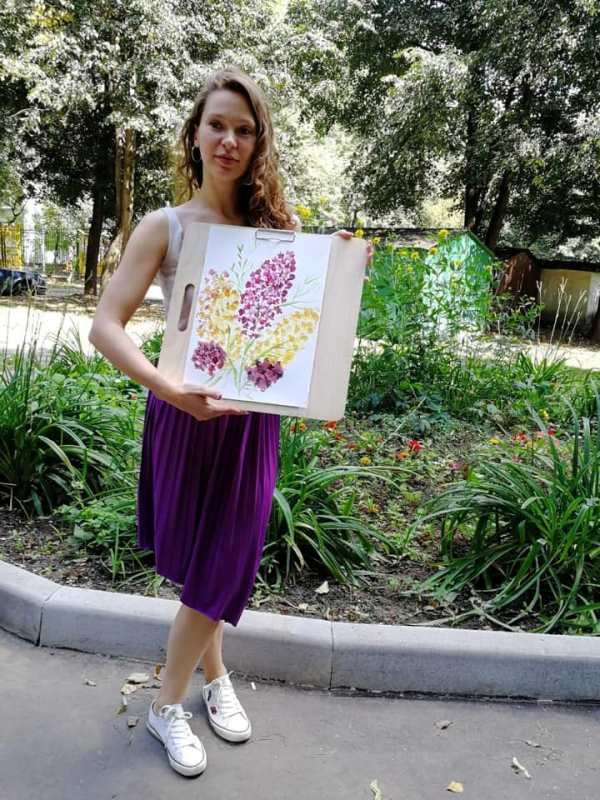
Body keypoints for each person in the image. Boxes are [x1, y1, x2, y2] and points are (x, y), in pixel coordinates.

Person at [89, 67, 372, 779]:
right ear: (195, 134)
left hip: (250, 427)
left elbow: (302, 330)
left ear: (258, 143)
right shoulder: (166, 226)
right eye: (217, 125)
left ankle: (169, 701)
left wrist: (338, 266)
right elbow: (105, 327)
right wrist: (169, 389)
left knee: (225, 562)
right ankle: (208, 681)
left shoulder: (279, 232)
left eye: (244, 130)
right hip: (184, 416)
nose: (229, 140)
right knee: (200, 566)